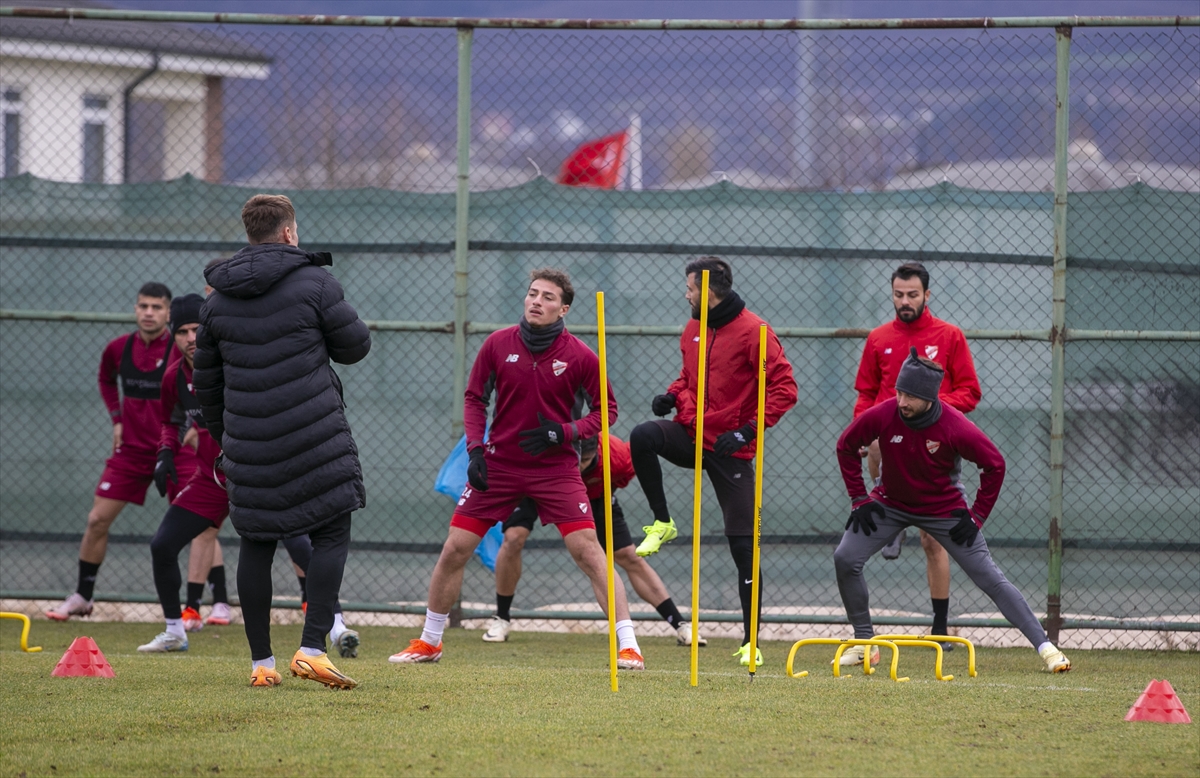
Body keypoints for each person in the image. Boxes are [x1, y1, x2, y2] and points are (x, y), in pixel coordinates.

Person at [389, 269, 646, 670]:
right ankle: (430, 641)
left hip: (557, 469)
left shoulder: (580, 355)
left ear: (563, 308)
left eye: (547, 297)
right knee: (455, 548)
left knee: (588, 552)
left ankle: (628, 645)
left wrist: (564, 432)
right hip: (500, 465)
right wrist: (475, 451)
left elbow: (606, 411)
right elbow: (475, 398)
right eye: (532, 294)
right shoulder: (497, 344)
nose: (536, 301)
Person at [194, 194, 371, 689]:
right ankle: (313, 648)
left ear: (249, 233)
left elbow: (206, 385)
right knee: (332, 532)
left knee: (256, 542)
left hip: (248, 443)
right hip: (315, 436)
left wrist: (228, 438)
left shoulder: (216, 301)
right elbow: (355, 347)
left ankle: (261, 665)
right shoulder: (315, 282)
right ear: (290, 233)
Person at [833, 349, 1070, 673]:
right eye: (899, 392)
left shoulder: (954, 425)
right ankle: (864, 644)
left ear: (930, 398)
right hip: (889, 504)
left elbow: (994, 464)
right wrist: (859, 499)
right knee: (845, 558)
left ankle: (1047, 648)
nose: (902, 401)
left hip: (944, 511)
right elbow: (845, 446)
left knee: (989, 578)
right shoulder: (884, 414)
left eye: (911, 396)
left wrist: (976, 516)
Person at [628, 257, 797, 667]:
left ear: (710, 291)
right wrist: (672, 395)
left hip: (729, 446)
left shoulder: (756, 331)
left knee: (744, 547)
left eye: (690, 288)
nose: (685, 294)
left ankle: (750, 641)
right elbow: (689, 377)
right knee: (643, 435)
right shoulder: (693, 327)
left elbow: (785, 388)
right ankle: (663, 523)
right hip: (691, 432)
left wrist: (747, 431)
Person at [853, 262, 982, 644]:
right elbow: (865, 393)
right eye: (898, 294)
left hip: (932, 445)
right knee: (877, 437)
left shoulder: (949, 336)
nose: (904, 301)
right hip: (889, 446)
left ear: (927, 295)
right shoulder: (878, 338)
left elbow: (970, 392)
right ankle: (886, 508)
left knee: (932, 540)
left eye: (912, 294)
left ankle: (940, 628)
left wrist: (931, 409)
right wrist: (862, 429)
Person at [482, 434, 706, 647]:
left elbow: (628, 471)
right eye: (574, 459)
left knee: (628, 555)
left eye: (584, 461)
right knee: (513, 538)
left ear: (595, 452)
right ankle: (501, 618)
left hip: (594, 495)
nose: (577, 467)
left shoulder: (617, 456)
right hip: (540, 484)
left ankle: (680, 625)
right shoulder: (541, 446)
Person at [46, 282, 173, 621]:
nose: (149, 313)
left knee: (201, 528)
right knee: (97, 519)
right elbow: (105, 379)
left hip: (172, 451)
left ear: (168, 312)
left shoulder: (180, 349)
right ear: (135, 309)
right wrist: (116, 419)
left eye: (156, 307)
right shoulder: (118, 348)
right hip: (130, 451)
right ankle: (82, 597)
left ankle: (194, 609)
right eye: (143, 306)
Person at [137, 294, 233, 652]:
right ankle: (175, 631)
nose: (191, 338)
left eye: (197, 329)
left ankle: (332, 627)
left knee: (296, 541)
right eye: (182, 331)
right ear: (172, 335)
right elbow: (170, 420)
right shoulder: (174, 376)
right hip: (210, 479)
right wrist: (165, 453)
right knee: (162, 545)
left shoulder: (232, 365)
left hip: (253, 475)